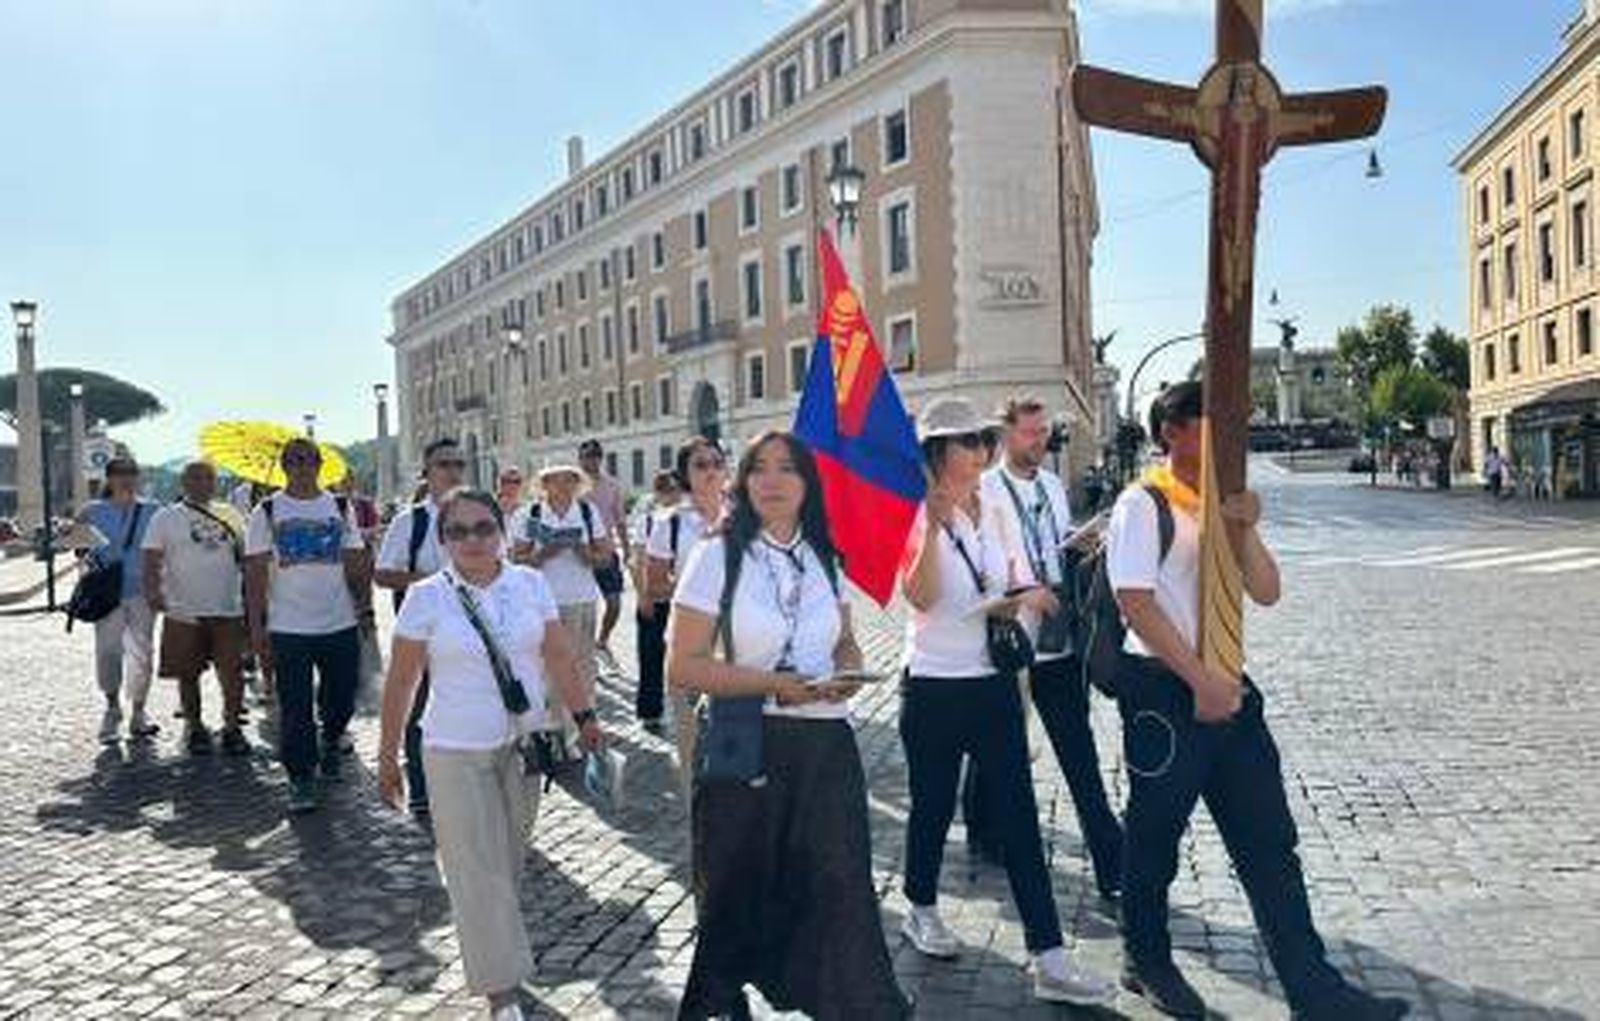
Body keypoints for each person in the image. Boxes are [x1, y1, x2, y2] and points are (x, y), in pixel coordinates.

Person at [1107, 382, 1409, 1020]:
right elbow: (1135, 603)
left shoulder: (1221, 501)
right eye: (1212, 422)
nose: (1228, 435)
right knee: (1155, 837)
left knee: (1269, 842)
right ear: (1173, 432)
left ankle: (1313, 989)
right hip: (1167, 692)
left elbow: (1267, 590)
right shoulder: (1144, 503)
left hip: (1231, 687)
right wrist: (1198, 681)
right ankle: (1146, 958)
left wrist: (1245, 529)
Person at [668, 431, 911, 1021]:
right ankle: (723, 1005)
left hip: (826, 744)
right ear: (742, 482)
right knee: (735, 889)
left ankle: (853, 1006)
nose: (772, 480)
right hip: (747, 744)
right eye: (759, 469)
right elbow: (683, 665)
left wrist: (849, 672)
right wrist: (775, 684)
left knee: (839, 885)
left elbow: (846, 640)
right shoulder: (716, 554)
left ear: (809, 483)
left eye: (787, 469)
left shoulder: (825, 555)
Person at [897, 397, 1116, 1007]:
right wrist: (936, 526)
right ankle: (920, 906)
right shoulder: (918, 511)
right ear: (938, 452)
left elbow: (1016, 570)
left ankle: (1048, 955)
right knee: (933, 810)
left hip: (994, 680)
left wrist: (1029, 593)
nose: (980, 450)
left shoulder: (996, 502)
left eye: (982, 440)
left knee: (1019, 817)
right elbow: (919, 596)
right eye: (967, 442)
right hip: (935, 684)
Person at [377, 487, 606, 1021]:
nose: (473, 540)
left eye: (483, 527)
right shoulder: (427, 597)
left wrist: (586, 717)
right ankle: (501, 991)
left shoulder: (531, 584)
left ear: (501, 530)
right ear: (443, 541)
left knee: (504, 862)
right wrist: (388, 757)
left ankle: (496, 956)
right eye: (458, 531)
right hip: (453, 749)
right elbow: (402, 682)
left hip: (523, 745)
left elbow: (559, 654)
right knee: (475, 870)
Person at [983, 395, 1124, 901]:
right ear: (1006, 436)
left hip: (1059, 639)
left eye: (1043, 432)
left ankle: (1112, 858)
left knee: (1079, 752)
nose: (1039, 441)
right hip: (1011, 641)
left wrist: (1076, 540)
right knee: (999, 751)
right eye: (1029, 433)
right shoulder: (985, 490)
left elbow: (1047, 542)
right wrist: (1023, 591)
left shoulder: (1050, 485)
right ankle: (986, 833)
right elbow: (986, 561)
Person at [244, 438, 374, 815]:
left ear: (320, 465)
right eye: (294, 460)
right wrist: (256, 627)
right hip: (289, 626)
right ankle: (300, 776)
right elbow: (253, 572)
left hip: (339, 621)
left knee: (342, 697)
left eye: (308, 459)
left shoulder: (339, 506)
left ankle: (331, 739)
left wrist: (365, 609)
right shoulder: (266, 511)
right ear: (284, 466)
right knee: (295, 707)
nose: (302, 466)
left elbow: (354, 560)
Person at [374, 438, 467, 820]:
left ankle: (465, 783)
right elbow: (382, 574)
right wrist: (430, 581)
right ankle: (423, 791)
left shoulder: (477, 513)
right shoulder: (409, 522)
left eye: (458, 463)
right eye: (444, 464)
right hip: (425, 633)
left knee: (465, 705)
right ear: (426, 473)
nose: (453, 470)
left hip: (472, 632)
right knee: (420, 708)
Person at [141, 460, 250, 756]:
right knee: (187, 673)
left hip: (228, 607)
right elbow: (150, 557)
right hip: (183, 608)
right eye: (194, 477)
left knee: (232, 671)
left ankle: (232, 727)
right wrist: (152, 590)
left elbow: (248, 556)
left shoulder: (232, 515)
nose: (201, 482)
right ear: (183, 483)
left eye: (207, 477)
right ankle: (195, 726)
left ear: (215, 482)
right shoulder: (165, 517)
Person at [643, 437, 727, 791]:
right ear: (685, 475)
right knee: (693, 742)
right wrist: (697, 590)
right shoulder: (670, 524)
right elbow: (654, 585)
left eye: (716, 463)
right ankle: (700, 816)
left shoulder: (747, 515)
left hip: (741, 643)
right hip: (690, 644)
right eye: (700, 465)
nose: (710, 471)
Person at [511, 463, 610, 757]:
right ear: (544, 484)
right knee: (549, 671)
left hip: (581, 599)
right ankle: (554, 735)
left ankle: (582, 733)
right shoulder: (529, 514)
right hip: (542, 603)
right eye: (556, 480)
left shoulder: (589, 513)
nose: (563, 485)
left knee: (583, 667)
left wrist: (584, 552)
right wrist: (543, 554)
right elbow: (516, 560)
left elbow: (605, 557)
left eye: (570, 480)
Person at [78, 456, 161, 743]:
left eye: (130, 473)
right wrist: (72, 535)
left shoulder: (153, 509)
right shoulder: (91, 511)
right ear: (109, 478)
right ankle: (112, 707)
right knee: (107, 651)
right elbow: (76, 544)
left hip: (143, 592)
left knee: (143, 654)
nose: (125, 478)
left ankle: (139, 712)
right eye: (119, 473)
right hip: (107, 593)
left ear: (137, 477)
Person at [631, 469, 682, 731]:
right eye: (663, 488)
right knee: (650, 655)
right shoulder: (648, 521)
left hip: (681, 602)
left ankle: (684, 709)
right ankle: (650, 710)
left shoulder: (687, 520)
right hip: (654, 598)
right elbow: (638, 561)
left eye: (673, 488)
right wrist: (643, 596)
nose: (668, 494)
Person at [578, 439, 631, 652]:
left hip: (606, 552)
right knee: (583, 607)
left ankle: (602, 639)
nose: (588, 460)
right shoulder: (573, 487)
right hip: (579, 553)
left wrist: (626, 549)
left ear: (600, 458)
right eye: (584, 456)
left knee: (614, 602)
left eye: (593, 455)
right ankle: (584, 645)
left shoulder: (612, 486)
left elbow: (620, 521)